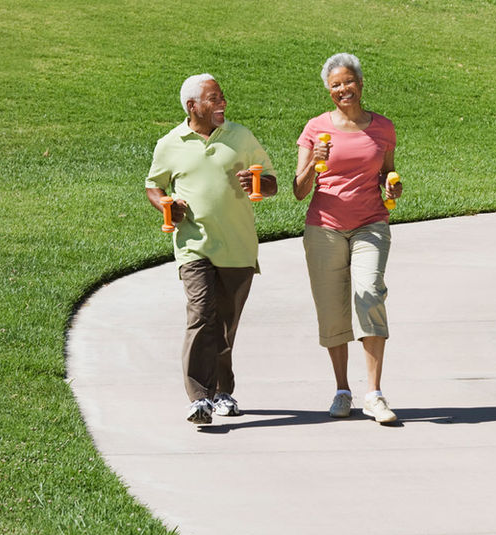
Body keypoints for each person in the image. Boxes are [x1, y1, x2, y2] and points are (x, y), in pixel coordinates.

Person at [145, 73, 277, 425]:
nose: (223, 103)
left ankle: (222, 391)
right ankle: (198, 398)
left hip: (238, 246)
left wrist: (258, 182)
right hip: (194, 246)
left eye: (222, 97)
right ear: (193, 106)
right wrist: (165, 204)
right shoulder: (170, 143)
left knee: (225, 324)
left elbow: (272, 184)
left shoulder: (241, 137)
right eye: (214, 98)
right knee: (202, 314)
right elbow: (154, 186)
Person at [294, 53, 402, 424]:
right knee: (331, 307)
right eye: (336, 85)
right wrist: (314, 159)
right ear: (329, 89)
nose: (344, 89)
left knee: (369, 292)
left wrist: (392, 186)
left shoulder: (383, 128)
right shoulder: (315, 128)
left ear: (360, 82)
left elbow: (386, 175)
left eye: (348, 82)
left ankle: (374, 394)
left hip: (371, 223)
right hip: (324, 226)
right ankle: (342, 390)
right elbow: (298, 189)